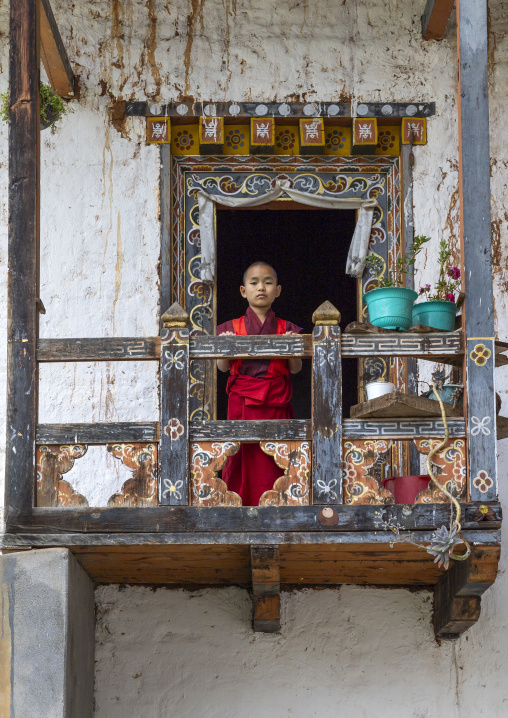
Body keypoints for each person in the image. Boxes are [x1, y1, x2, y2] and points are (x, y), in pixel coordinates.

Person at [217, 261, 302, 506]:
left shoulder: (288, 329)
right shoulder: (231, 328)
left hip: (276, 401)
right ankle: (239, 504)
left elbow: (295, 369)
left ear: (278, 290)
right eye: (254, 283)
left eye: (268, 282)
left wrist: (290, 348)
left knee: (275, 457)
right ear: (244, 291)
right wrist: (227, 346)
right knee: (242, 455)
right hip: (242, 402)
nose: (261, 287)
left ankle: (278, 503)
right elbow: (223, 368)